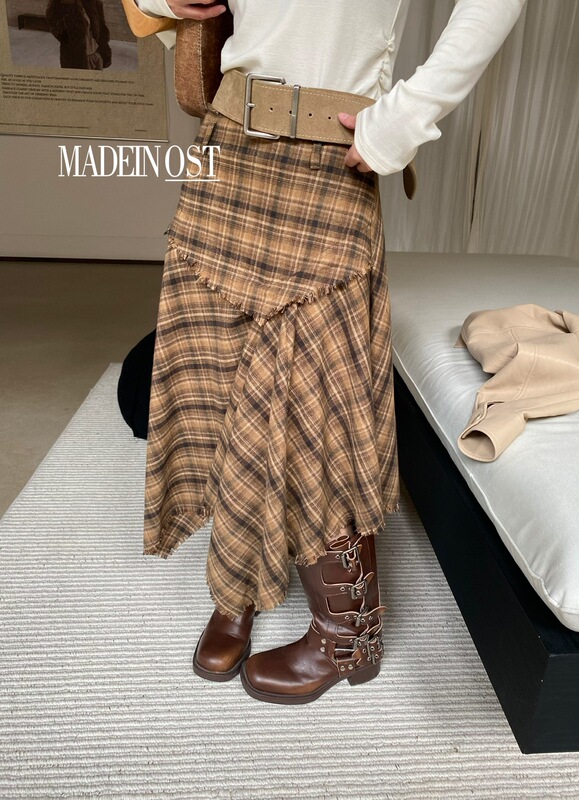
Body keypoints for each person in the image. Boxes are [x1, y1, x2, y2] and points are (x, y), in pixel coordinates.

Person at [127, 0, 526, 704]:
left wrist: (409, 113)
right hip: (229, 137)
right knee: (221, 374)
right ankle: (237, 579)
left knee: (321, 399)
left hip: (328, 148)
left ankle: (350, 635)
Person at [46, 0, 112, 70]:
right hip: (77, 58)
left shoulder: (91, 2)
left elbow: (101, 27)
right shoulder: (62, 3)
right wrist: (66, 39)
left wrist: (104, 49)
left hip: (96, 55)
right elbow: (53, 22)